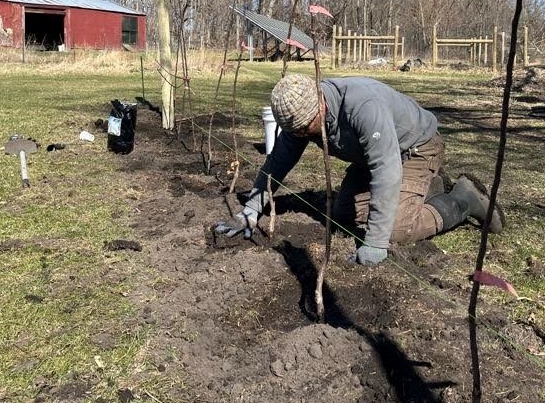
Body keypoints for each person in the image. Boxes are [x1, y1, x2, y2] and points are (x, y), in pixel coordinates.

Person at [214, 73, 504, 265]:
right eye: (296, 132)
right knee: (342, 216)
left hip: (415, 149)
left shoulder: (362, 107)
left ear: (321, 108)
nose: (302, 136)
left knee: (395, 230)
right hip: (373, 156)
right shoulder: (300, 119)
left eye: (306, 130)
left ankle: (464, 199)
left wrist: (376, 243)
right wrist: (251, 211)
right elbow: (278, 161)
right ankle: (425, 190)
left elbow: (386, 169)